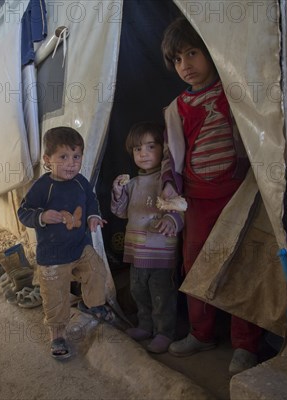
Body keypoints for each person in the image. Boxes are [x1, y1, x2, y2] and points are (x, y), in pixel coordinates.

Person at [160, 17, 263, 374]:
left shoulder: (233, 92)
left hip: (238, 196)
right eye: (177, 59)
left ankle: (246, 344)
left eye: (192, 53)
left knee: (241, 266)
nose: (185, 65)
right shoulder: (176, 109)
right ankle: (202, 333)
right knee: (196, 267)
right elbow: (170, 156)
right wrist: (169, 187)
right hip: (197, 201)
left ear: (211, 51)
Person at [17, 126, 114, 360]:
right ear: (48, 160)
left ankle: (92, 305)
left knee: (97, 270)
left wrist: (92, 217)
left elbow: (91, 201)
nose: (71, 163)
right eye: (64, 157)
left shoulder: (81, 182)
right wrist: (41, 216)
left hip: (80, 247)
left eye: (76, 157)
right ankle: (57, 336)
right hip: (52, 256)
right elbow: (23, 212)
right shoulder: (42, 187)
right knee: (56, 298)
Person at [110, 121, 183, 354]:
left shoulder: (168, 180)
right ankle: (145, 326)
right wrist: (118, 192)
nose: (143, 154)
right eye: (138, 149)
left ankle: (164, 332)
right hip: (137, 251)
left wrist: (172, 220)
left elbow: (182, 208)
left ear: (163, 149)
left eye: (151, 147)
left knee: (162, 295)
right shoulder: (132, 183)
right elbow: (121, 212)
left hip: (161, 252)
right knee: (139, 292)